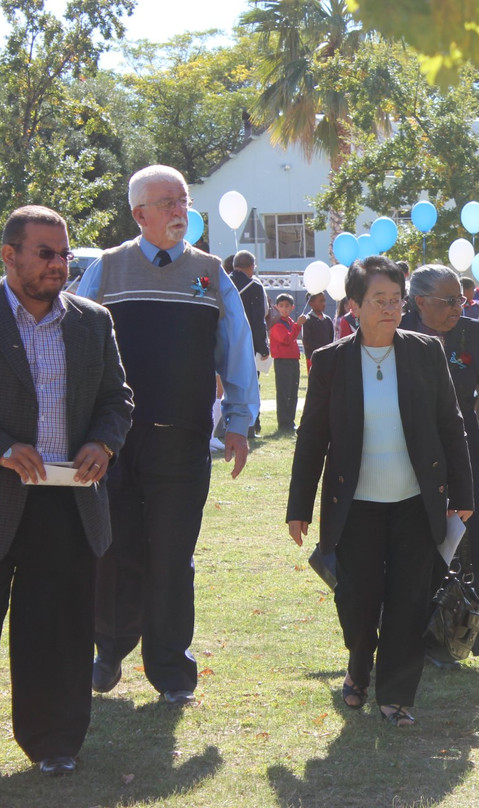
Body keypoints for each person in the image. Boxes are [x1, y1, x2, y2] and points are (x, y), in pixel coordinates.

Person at [78, 164, 260, 707]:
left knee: (173, 557)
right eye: (169, 203)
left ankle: (172, 673)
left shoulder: (209, 273)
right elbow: (79, 348)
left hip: (182, 441)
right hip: (113, 444)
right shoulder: (106, 270)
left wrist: (238, 421)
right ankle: (110, 650)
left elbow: (235, 348)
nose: (181, 211)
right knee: (114, 550)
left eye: (184, 201)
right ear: (140, 214)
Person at [286, 257, 473, 726]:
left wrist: (463, 494)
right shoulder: (331, 362)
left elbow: (451, 425)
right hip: (355, 506)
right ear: (353, 305)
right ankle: (358, 663)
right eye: (379, 300)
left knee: (409, 600)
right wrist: (298, 506)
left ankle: (395, 695)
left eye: (396, 300)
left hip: (415, 503)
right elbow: (312, 437)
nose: (390, 309)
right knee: (357, 600)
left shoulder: (426, 352)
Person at [0, 205, 133, 775]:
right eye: (45, 253)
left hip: (66, 500)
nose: (59, 264)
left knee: (56, 629)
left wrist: (103, 443)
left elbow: (117, 399)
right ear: (9, 255)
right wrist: (5, 448)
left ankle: (54, 743)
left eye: (65, 254)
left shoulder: (92, 320)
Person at [401, 265, 479, 659]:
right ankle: (408, 638)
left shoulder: (475, 333)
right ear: (420, 302)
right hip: (406, 451)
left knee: (466, 544)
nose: (458, 307)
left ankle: (461, 640)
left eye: (461, 299)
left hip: (461, 451)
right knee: (412, 542)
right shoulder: (395, 329)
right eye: (449, 301)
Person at [229, 250, 269, 438]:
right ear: (251, 267)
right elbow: (258, 320)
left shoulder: (223, 282)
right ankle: (249, 426)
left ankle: (225, 425)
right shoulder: (254, 286)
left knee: (227, 387)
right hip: (246, 344)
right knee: (249, 387)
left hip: (225, 341)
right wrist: (263, 347)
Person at [269, 293, 307, 432]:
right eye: (281, 306)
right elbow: (286, 339)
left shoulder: (289, 321)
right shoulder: (277, 323)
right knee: (284, 392)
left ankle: (290, 421)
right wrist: (298, 325)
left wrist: (296, 325)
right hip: (282, 361)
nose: (284, 309)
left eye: (287, 306)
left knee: (292, 391)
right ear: (276, 307)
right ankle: (284, 422)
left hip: (293, 360)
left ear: (292, 307)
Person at [301, 291, 334, 371]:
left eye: (324, 301)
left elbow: (331, 338)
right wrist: (321, 349)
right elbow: (307, 341)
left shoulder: (327, 320)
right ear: (311, 303)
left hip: (326, 357)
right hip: (313, 358)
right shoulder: (307, 320)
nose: (324, 304)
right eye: (321, 301)